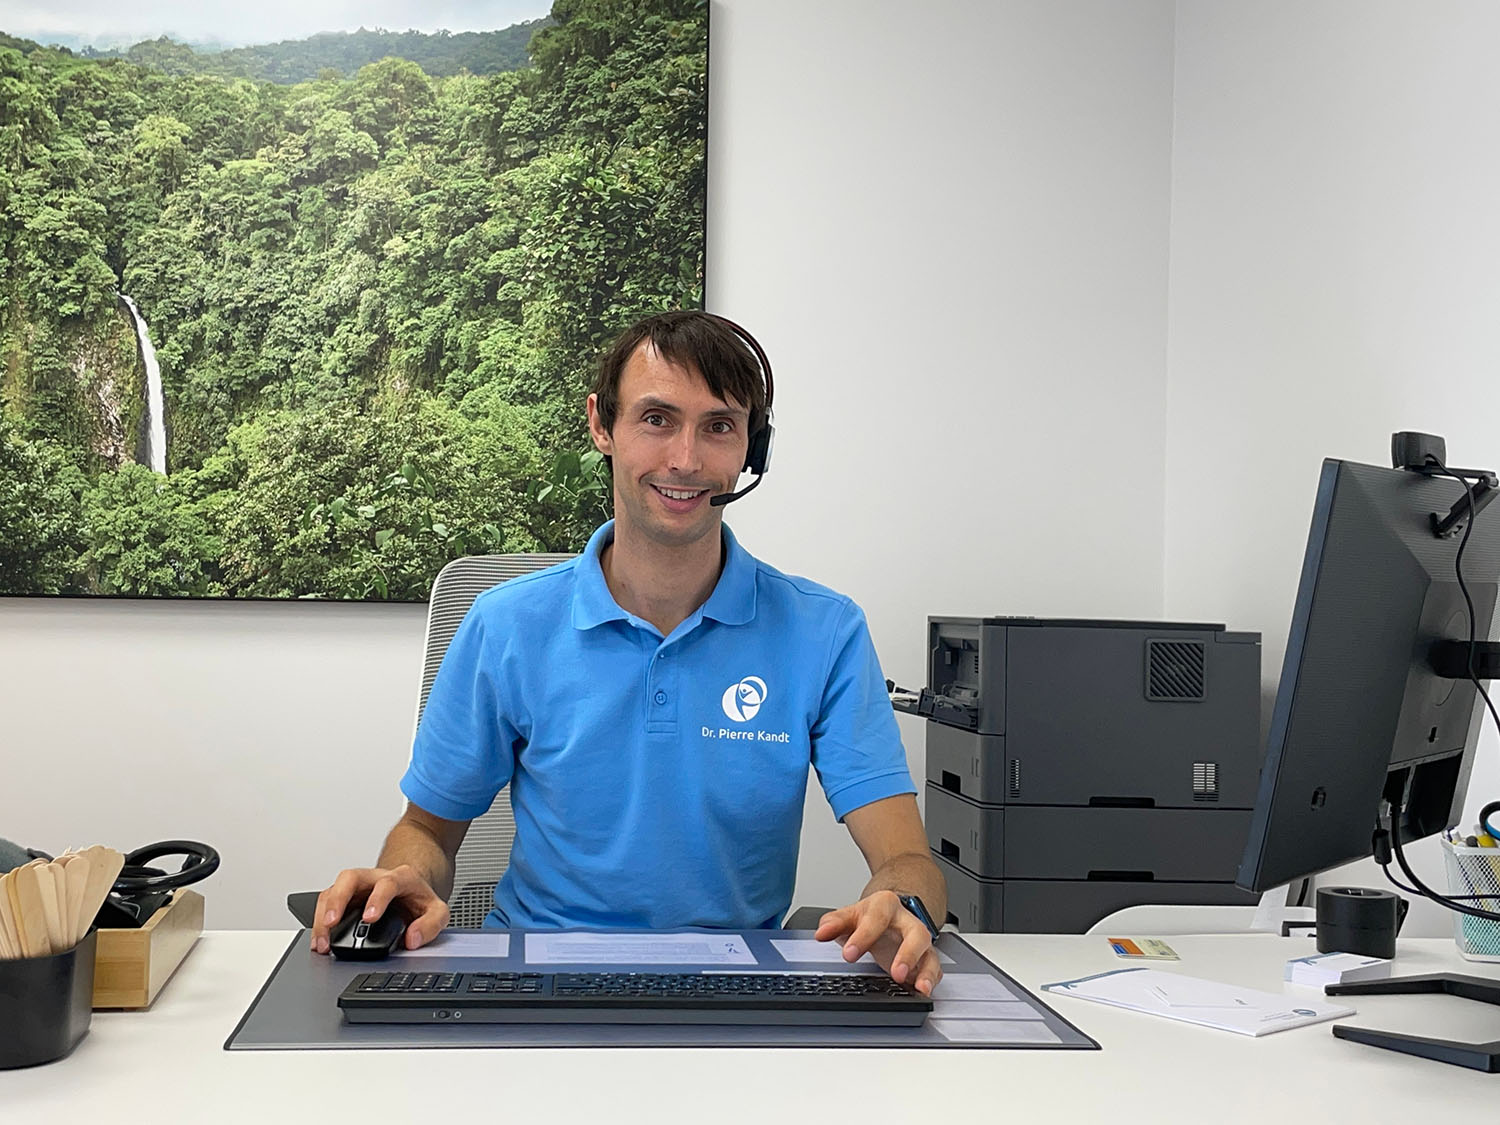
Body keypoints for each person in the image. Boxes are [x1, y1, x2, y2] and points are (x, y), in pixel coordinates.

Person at [313, 311, 948, 994]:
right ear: (601, 424)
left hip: (735, 992)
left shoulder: (825, 631)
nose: (685, 459)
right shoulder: (507, 624)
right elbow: (428, 833)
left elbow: (908, 857)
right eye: (656, 419)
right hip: (529, 983)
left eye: (719, 426)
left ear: (750, 451)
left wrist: (904, 907)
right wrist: (405, 878)